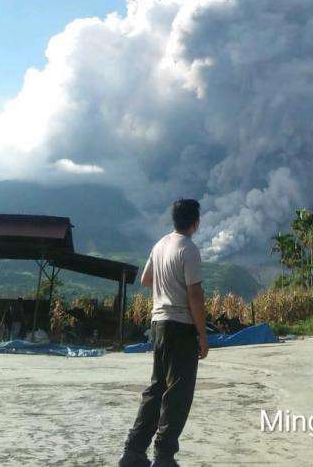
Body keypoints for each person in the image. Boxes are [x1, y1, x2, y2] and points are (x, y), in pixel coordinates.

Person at [118, 199, 209, 467]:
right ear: (196, 223)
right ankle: (164, 456)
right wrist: (203, 335)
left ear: (174, 220)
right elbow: (195, 294)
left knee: (157, 389)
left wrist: (165, 290)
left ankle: (133, 452)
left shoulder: (160, 245)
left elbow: (146, 279)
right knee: (179, 394)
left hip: (158, 324)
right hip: (180, 326)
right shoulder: (188, 249)